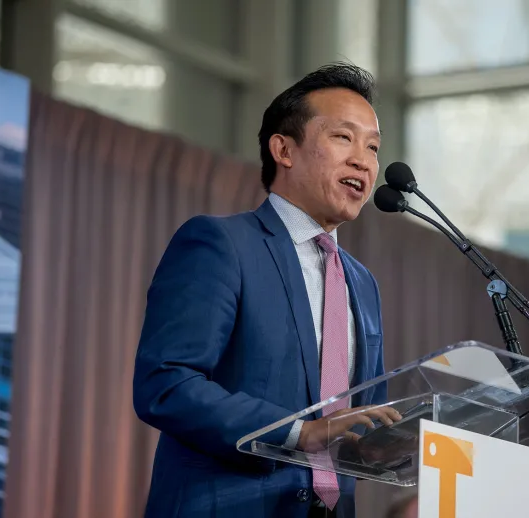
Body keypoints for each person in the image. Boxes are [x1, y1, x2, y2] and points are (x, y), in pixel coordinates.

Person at [133, 63, 401, 518]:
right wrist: (301, 432)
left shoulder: (362, 282)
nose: (364, 159)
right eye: (344, 138)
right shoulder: (221, 245)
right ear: (284, 149)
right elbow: (167, 384)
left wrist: (384, 446)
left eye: (373, 147)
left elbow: (362, 417)